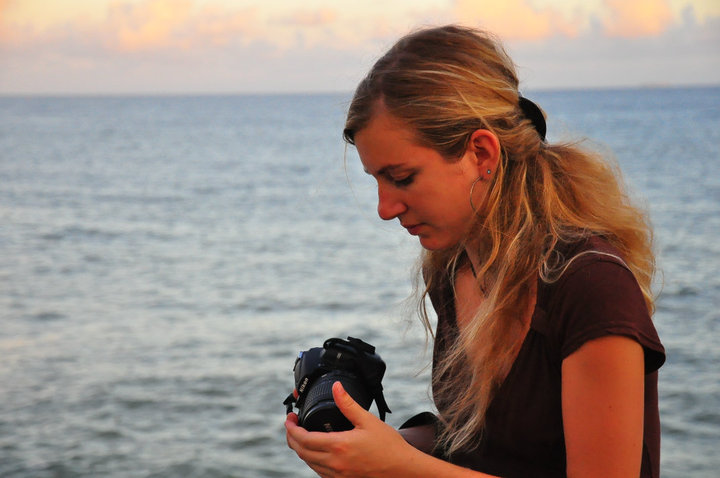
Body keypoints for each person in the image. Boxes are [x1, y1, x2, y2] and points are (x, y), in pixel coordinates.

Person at [285, 24, 665, 478]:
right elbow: (489, 447)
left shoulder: (591, 286)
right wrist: (373, 447)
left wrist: (400, 466)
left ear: (481, 153)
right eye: (377, 181)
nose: (385, 209)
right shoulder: (453, 269)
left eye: (402, 178)